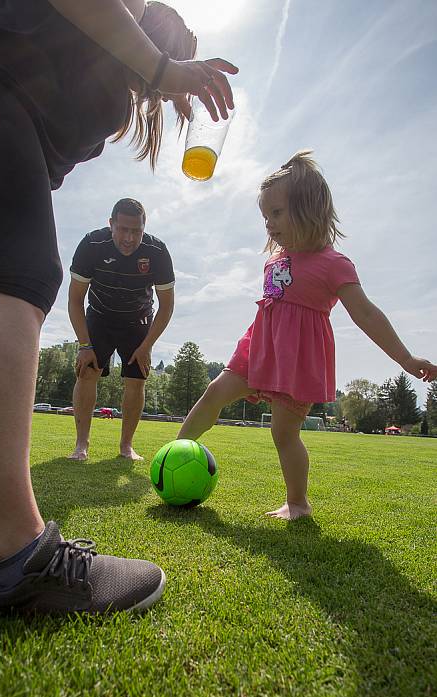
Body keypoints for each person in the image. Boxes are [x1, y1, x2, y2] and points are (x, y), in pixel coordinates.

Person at [0, 0, 238, 614]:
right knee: (21, 276)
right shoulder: (127, 23)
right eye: (176, 58)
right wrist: (163, 68)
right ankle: (13, 559)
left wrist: (155, 77)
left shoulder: (106, 75)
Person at [178, 151, 437, 521]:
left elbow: (366, 314)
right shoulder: (275, 259)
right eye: (265, 216)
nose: (269, 223)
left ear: (309, 210)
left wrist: (407, 359)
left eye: (277, 214)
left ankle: (297, 503)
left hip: (298, 360)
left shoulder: (334, 264)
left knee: (283, 434)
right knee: (214, 393)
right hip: (258, 347)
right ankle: (172, 456)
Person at [68, 198, 174, 462]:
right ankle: (81, 445)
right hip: (99, 317)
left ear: (144, 227)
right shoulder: (92, 244)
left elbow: (167, 306)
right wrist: (84, 346)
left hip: (137, 321)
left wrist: (146, 347)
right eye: (123, 229)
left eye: (135, 231)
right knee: (87, 372)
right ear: (111, 224)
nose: (129, 238)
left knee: (136, 380)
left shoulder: (157, 251)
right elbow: (74, 299)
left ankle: (126, 446)